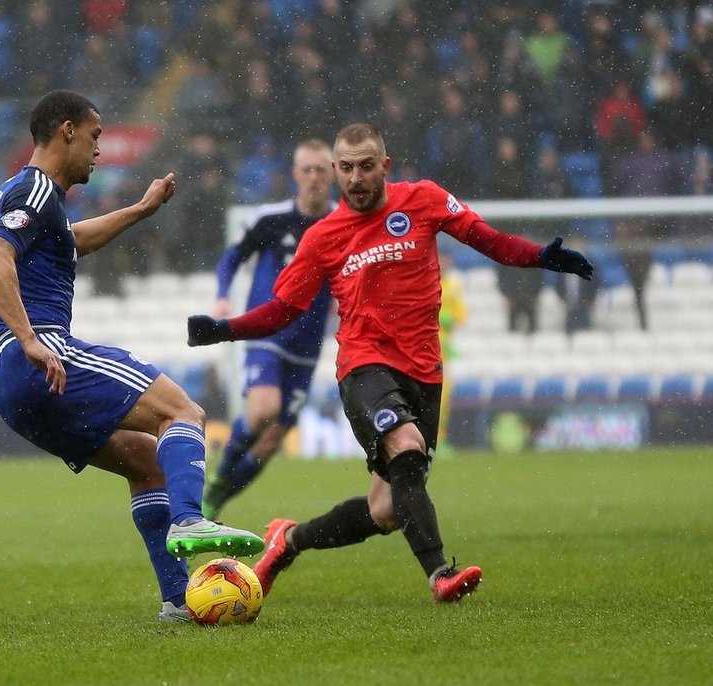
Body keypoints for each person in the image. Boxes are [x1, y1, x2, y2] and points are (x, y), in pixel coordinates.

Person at [188, 123, 593, 603]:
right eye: (346, 168)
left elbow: (489, 241)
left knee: (384, 509)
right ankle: (440, 573)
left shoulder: (422, 200)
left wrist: (541, 258)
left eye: (365, 166)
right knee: (405, 445)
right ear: (337, 172)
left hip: (424, 371)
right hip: (363, 367)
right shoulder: (323, 237)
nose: (355, 178)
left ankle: (287, 540)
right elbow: (283, 309)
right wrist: (225, 328)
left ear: (385, 165)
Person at [0, 90, 263, 623]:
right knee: (183, 412)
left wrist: (141, 209)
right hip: (37, 358)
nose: (98, 150)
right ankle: (188, 520)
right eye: (94, 136)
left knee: (147, 461)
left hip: (11, 388)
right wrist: (31, 339)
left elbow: (74, 241)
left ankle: (178, 600)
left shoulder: (42, 203)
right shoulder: (34, 186)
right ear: (66, 131)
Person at [201, 139, 336, 520]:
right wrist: (223, 296)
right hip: (268, 331)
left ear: (332, 174)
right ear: (295, 175)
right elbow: (233, 257)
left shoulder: (342, 223)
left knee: (273, 438)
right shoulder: (272, 219)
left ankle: (217, 499)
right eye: (306, 170)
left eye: (320, 170)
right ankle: (219, 480)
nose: (313, 178)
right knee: (264, 410)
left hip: (308, 344)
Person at [436, 252, 467, 455]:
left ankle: (439, 439)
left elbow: (461, 314)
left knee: (443, 397)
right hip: (422, 346)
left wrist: (449, 317)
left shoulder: (454, 285)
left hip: (443, 350)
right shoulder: (424, 280)